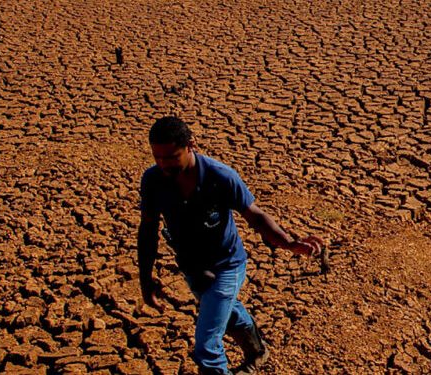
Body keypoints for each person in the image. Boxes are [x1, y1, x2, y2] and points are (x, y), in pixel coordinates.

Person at [137, 116, 324, 375]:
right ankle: (258, 351)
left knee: (206, 346)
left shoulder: (219, 176)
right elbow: (148, 229)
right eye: (157, 157)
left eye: (171, 157)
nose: (163, 164)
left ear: (191, 145)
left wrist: (290, 243)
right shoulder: (153, 180)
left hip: (227, 264)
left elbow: (254, 215)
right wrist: (145, 277)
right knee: (227, 311)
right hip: (192, 267)